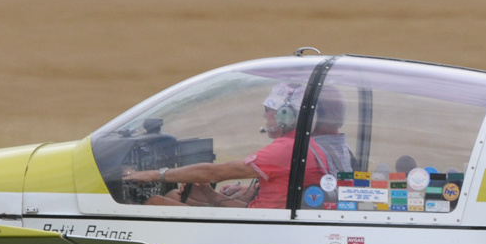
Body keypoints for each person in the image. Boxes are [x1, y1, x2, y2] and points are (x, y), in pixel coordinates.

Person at [121, 81, 330, 208]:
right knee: (176, 195)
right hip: (263, 219)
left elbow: (214, 173)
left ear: (285, 115)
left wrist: (153, 175)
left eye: (268, 110)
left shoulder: (284, 149)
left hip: (259, 227)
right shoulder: (304, 145)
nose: (264, 115)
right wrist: (212, 197)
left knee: (155, 202)